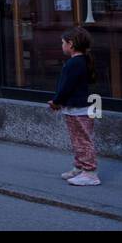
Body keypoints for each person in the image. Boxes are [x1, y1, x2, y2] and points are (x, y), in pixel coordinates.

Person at [49, 27, 100, 186]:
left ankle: (90, 173)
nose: (62, 45)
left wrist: (56, 101)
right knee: (78, 140)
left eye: (62, 43)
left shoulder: (74, 63)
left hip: (79, 109)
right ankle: (79, 168)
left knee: (83, 141)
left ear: (70, 44)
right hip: (79, 108)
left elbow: (66, 86)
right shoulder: (83, 60)